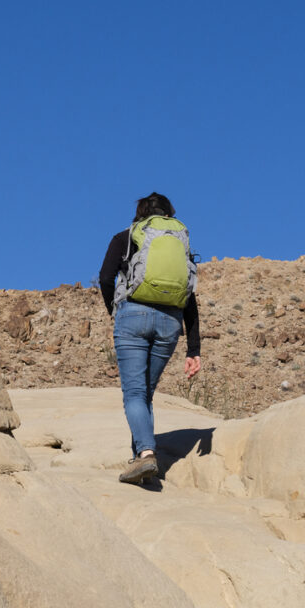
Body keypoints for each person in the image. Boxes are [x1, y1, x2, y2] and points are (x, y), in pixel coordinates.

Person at [97, 192, 202, 484]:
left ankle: (144, 455)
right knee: (146, 393)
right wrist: (194, 348)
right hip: (171, 321)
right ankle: (142, 461)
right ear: (168, 213)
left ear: (140, 214)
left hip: (133, 315)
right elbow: (189, 295)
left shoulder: (126, 236)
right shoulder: (180, 242)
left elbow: (106, 278)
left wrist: (114, 309)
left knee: (134, 393)